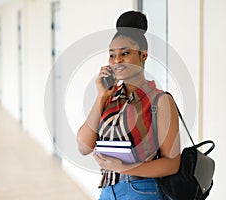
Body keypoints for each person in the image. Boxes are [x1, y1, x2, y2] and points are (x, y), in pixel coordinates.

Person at [77, 10, 180, 200]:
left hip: (143, 190)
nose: (117, 60)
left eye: (125, 53)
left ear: (143, 56)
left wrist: (125, 168)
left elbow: (172, 164)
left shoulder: (160, 100)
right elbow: (83, 147)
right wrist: (101, 96)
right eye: (111, 55)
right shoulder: (109, 98)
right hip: (108, 190)